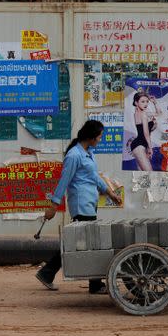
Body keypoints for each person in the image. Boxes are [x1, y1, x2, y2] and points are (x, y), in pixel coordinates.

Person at [36, 120, 122, 293]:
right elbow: (64, 181)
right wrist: (53, 205)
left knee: (75, 242)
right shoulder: (74, 155)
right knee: (91, 243)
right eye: (99, 137)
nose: (100, 140)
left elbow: (94, 177)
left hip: (89, 203)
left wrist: (109, 192)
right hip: (81, 204)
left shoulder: (88, 152)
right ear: (90, 137)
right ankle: (95, 284)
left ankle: (47, 273)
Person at [130, 91, 162, 171]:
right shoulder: (143, 114)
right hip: (139, 145)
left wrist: (155, 103)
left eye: (147, 101)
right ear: (136, 102)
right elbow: (146, 133)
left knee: (142, 174)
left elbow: (159, 113)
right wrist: (150, 148)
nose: (146, 104)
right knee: (149, 172)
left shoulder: (141, 113)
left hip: (141, 145)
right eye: (143, 101)